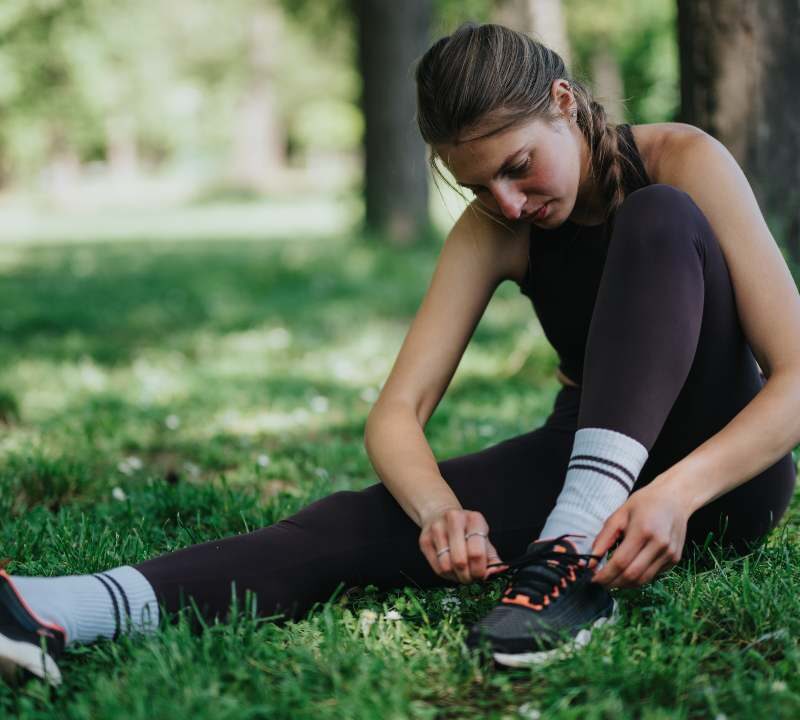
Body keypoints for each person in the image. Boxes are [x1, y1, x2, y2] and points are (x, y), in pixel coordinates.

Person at [2, 21, 799, 686]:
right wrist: (438, 512)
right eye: (479, 186)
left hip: (721, 480)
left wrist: (680, 492)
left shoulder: (684, 159)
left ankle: (569, 550)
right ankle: (55, 609)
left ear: (564, 101)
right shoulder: (497, 229)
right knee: (346, 523)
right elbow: (397, 412)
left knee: (658, 216)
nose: (509, 203)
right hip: (581, 463)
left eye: (518, 167)